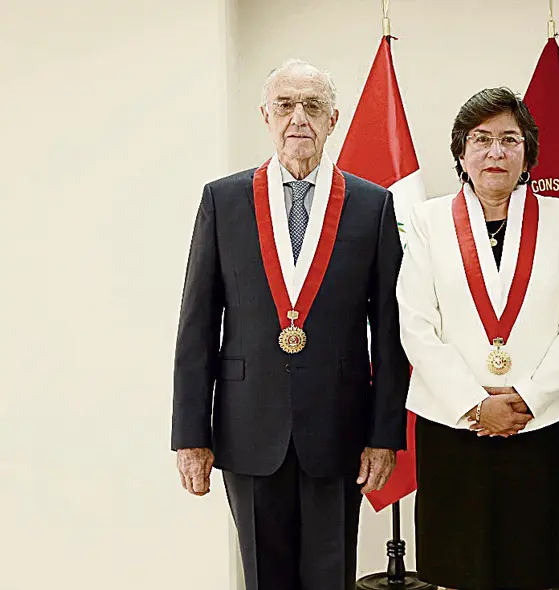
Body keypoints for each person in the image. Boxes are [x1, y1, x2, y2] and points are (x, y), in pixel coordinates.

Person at [171, 59, 410, 590]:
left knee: (331, 576)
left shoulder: (372, 206)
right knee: (265, 578)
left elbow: (390, 335)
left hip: (339, 429)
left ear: (334, 120)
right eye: (285, 105)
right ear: (265, 115)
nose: (299, 117)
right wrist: (191, 435)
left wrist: (384, 434)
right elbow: (197, 325)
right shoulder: (223, 199)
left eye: (313, 106)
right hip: (246, 428)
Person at [396, 87, 559, 590]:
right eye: (481, 139)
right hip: (453, 422)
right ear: (461, 152)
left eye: (510, 139)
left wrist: (527, 398)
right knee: (455, 564)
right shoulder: (427, 221)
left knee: (530, 562)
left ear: (527, 151)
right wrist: (473, 403)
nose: (495, 152)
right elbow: (416, 322)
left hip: (537, 420)